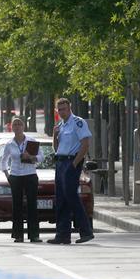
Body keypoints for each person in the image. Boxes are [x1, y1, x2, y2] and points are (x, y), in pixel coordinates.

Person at [48, 98, 94, 244]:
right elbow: (56, 148)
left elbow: (85, 144)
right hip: (60, 161)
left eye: (64, 109)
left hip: (71, 161)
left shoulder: (78, 122)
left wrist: (74, 164)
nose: (62, 112)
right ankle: (62, 234)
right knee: (61, 199)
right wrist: (54, 135)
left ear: (69, 108)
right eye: (59, 109)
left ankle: (86, 231)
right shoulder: (61, 125)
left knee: (71, 197)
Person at [1, 117, 44, 243]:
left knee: (32, 205)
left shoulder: (31, 141)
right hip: (15, 175)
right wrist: (7, 174)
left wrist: (31, 157)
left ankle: (34, 235)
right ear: (12, 128)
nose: (17, 126)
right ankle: (18, 235)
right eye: (15, 124)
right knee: (17, 205)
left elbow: (41, 157)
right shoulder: (9, 144)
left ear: (23, 126)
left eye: (20, 124)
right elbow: (4, 160)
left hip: (30, 174)